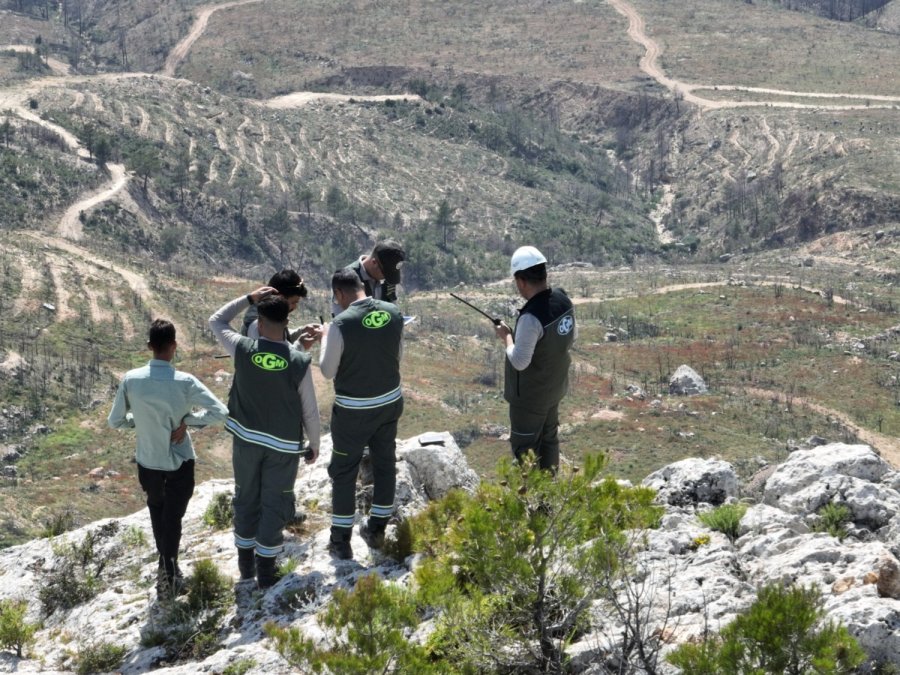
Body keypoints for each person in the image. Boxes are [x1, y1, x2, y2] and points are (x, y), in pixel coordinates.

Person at [108, 319, 228, 598]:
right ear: (174, 346)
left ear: (149, 346)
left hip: (147, 460)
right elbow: (220, 412)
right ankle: (169, 575)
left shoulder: (131, 379)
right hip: (179, 461)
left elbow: (115, 421)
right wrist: (189, 420)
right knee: (173, 517)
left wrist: (141, 422)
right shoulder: (185, 382)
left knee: (157, 511)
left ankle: (166, 569)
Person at [209, 288, 321, 589]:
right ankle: (267, 571)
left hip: (246, 440)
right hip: (282, 447)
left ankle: (245, 566)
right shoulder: (298, 360)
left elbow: (216, 320)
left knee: (246, 496)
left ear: (259, 321)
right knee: (275, 502)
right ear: (287, 322)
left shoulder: (242, 348)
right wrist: (314, 444)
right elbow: (309, 409)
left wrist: (249, 298)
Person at [319, 268, 404, 560]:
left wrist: (325, 338)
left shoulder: (340, 324)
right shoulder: (393, 312)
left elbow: (327, 371)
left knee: (344, 471)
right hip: (389, 403)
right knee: (385, 463)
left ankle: (340, 540)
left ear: (339, 293)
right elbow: (398, 356)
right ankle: (377, 528)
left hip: (353, 412)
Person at [494, 246, 575, 472]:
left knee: (525, 450)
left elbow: (520, 361)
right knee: (549, 440)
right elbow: (570, 338)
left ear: (521, 281)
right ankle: (550, 489)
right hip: (555, 389)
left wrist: (507, 337)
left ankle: (529, 493)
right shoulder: (563, 300)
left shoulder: (530, 318)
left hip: (530, 400)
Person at [241, 269, 317, 348]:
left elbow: (280, 337)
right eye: (293, 302)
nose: (295, 307)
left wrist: (302, 331)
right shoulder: (260, 324)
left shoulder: (271, 313)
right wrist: (300, 346)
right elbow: (274, 353)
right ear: (281, 298)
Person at [333, 240, 405, 315]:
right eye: (385, 274)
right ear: (374, 262)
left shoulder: (389, 276)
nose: (386, 278)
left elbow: (392, 306)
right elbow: (340, 316)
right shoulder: (346, 279)